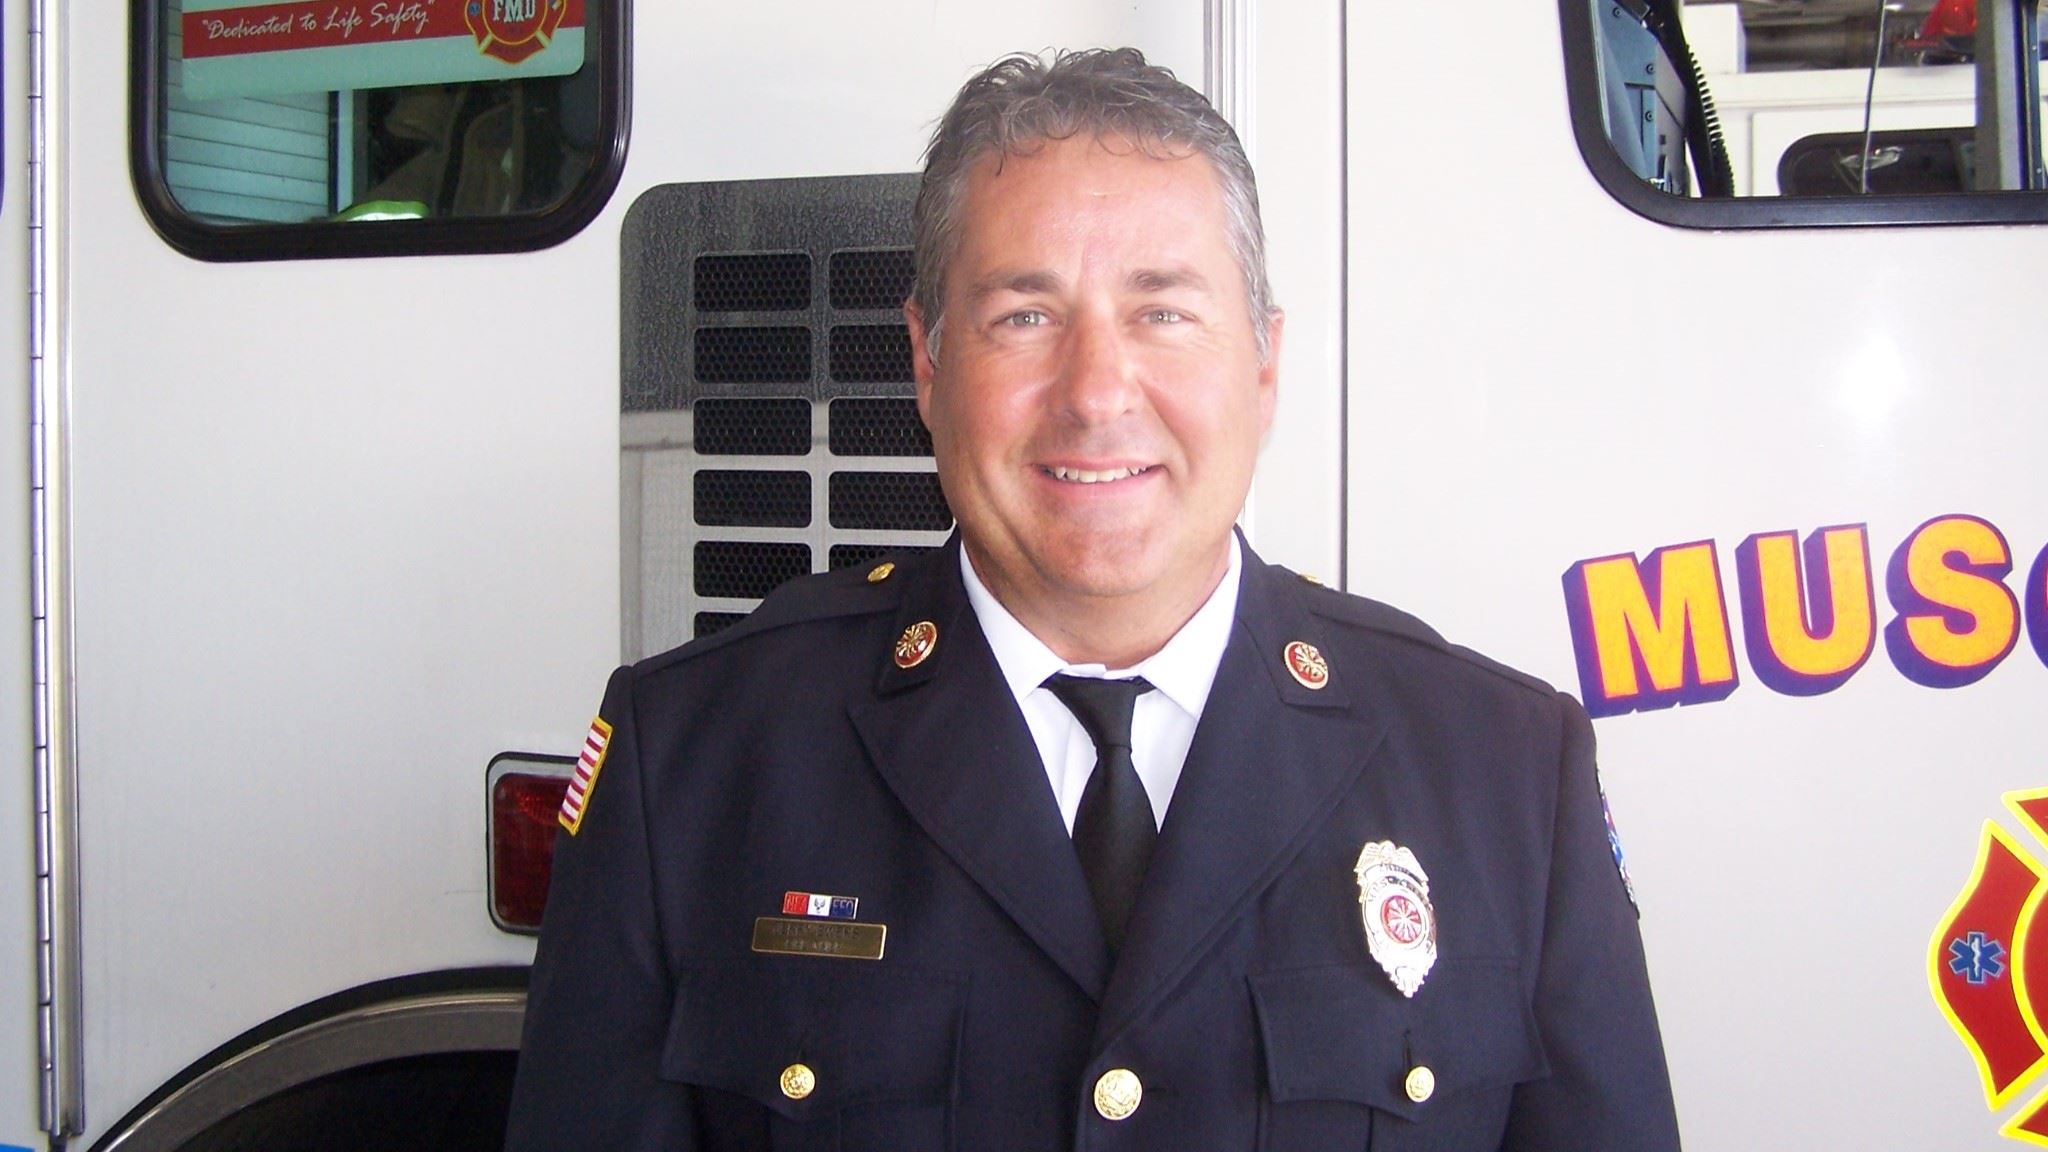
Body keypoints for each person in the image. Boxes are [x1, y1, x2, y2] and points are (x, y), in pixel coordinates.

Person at [505, 48, 1679, 1151]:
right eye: (1024, 316)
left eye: (1162, 311)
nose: (1095, 392)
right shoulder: (692, 765)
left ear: (1263, 364)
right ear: (923, 364)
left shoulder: (1507, 774)